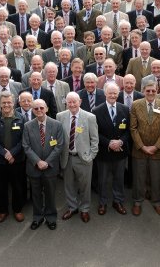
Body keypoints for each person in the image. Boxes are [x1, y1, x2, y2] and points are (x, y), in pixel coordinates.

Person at [22, 98, 64, 230]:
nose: (39, 110)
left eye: (41, 108)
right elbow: (26, 146)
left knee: (50, 194)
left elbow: (59, 146)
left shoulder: (57, 125)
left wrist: (47, 162)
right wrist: (38, 161)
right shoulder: (28, 126)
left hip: (50, 167)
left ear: (46, 108)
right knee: (36, 194)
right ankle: (38, 217)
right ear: (32, 110)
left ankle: (51, 217)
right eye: (36, 108)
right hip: (34, 167)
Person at [129, 81, 160, 216]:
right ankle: (138, 201)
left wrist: (156, 146)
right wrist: (142, 146)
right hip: (139, 149)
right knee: (139, 177)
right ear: (143, 91)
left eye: (153, 90)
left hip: (158, 150)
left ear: (157, 90)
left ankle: (156, 201)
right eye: (148, 91)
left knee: (157, 177)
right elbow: (133, 128)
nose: (151, 93)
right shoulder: (135, 105)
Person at [58, 92, 99, 223]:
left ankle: (85, 209)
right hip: (67, 157)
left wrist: (91, 156)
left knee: (84, 186)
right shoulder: (60, 116)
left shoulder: (89, 117)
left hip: (84, 158)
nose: (72, 104)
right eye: (69, 102)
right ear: (66, 103)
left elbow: (94, 139)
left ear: (80, 102)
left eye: (74, 102)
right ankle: (72, 207)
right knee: (68, 185)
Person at [0, 92, 27, 223]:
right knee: (1, 187)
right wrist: (5, 154)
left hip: (17, 160)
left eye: (9, 102)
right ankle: (3, 210)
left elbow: (24, 140)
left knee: (17, 186)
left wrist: (12, 153)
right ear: (0, 104)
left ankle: (17, 209)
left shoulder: (21, 118)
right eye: (4, 102)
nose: (6, 105)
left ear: (13, 103)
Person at [93, 82, 130, 215]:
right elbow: (95, 133)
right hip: (104, 152)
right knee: (102, 180)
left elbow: (128, 131)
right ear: (105, 94)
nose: (113, 95)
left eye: (115, 93)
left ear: (118, 94)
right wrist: (109, 143)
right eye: (110, 93)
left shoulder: (125, 109)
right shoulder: (97, 111)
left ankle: (118, 201)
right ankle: (102, 203)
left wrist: (120, 142)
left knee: (119, 178)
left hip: (120, 151)